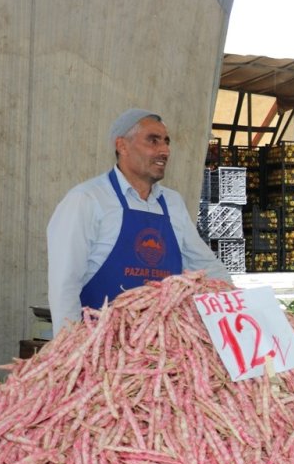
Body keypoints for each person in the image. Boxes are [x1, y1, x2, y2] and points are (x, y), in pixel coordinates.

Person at [47, 109, 231, 335]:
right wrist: (69, 349)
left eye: (166, 142)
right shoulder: (87, 200)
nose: (164, 150)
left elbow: (207, 268)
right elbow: (64, 283)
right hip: (99, 347)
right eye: (153, 141)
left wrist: (243, 307)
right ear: (122, 146)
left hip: (160, 349)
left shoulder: (172, 203)